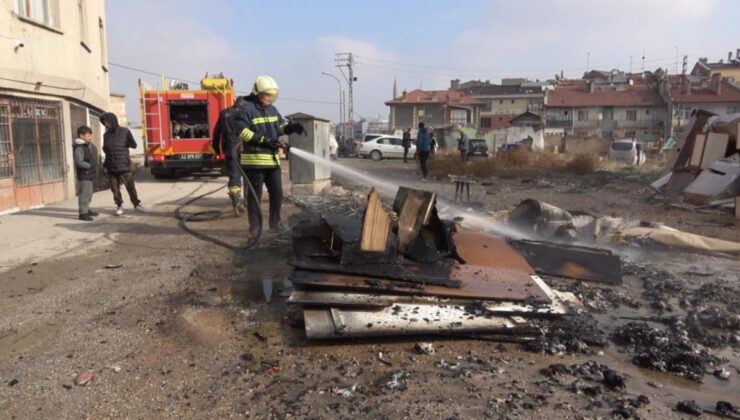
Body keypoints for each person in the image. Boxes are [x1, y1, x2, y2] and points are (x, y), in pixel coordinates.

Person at [233, 75, 304, 236]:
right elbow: (241, 131)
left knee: (277, 193)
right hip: (254, 163)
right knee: (254, 197)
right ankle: (255, 227)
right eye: (267, 95)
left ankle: (275, 223)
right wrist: (264, 141)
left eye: (272, 95)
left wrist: (292, 127)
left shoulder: (272, 109)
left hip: (272, 162)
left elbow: (280, 127)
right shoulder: (247, 109)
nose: (269, 98)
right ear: (257, 93)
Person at [101, 112, 147, 216]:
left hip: (124, 165)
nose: (106, 125)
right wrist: (105, 166)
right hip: (111, 166)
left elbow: (134, 145)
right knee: (115, 189)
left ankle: (137, 205)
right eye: (104, 123)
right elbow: (105, 149)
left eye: (107, 122)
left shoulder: (125, 131)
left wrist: (124, 144)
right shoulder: (106, 135)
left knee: (130, 187)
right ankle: (119, 205)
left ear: (113, 121)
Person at [212, 96, 247, 216]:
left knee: (234, 176)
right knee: (249, 175)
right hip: (246, 147)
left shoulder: (224, 113)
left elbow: (216, 133)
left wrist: (216, 150)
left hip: (230, 148)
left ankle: (236, 202)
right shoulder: (247, 112)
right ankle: (248, 201)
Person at [73, 125, 99, 221]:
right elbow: (79, 162)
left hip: (89, 174)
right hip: (84, 174)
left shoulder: (86, 145)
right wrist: (89, 165)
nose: (90, 137)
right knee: (84, 194)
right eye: (88, 135)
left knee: (89, 193)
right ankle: (83, 213)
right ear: (81, 135)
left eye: (90, 135)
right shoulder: (79, 147)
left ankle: (87, 209)